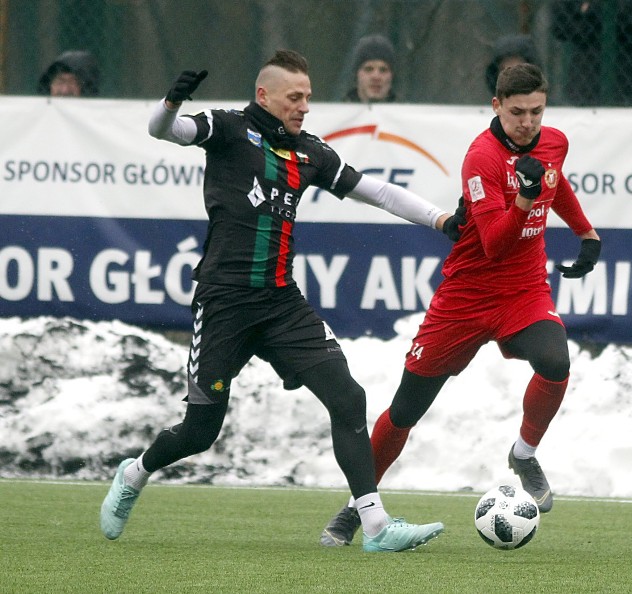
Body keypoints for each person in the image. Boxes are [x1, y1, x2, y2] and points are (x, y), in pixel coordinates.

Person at [99, 49, 466, 552]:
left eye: (308, 98)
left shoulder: (310, 152)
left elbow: (377, 192)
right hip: (224, 304)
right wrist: (170, 102)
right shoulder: (227, 129)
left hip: (280, 305)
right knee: (200, 431)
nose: (304, 107)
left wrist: (442, 221)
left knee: (348, 397)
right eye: (295, 98)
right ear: (263, 95)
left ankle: (376, 527)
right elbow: (165, 131)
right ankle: (135, 472)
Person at [320, 63, 601, 547]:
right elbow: (493, 242)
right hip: (466, 296)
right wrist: (523, 200)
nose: (528, 122)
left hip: (523, 290)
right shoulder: (482, 159)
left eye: (536, 111)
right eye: (517, 113)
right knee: (406, 409)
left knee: (556, 360)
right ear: (497, 106)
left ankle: (524, 454)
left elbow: (554, 183)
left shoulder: (553, 141)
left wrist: (584, 230)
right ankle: (354, 509)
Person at [344, 34, 396, 103]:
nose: (376, 77)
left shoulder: (407, 112)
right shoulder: (337, 112)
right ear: (356, 74)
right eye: (368, 69)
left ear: (391, 76)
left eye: (383, 70)